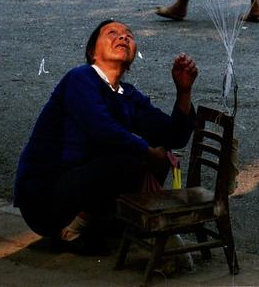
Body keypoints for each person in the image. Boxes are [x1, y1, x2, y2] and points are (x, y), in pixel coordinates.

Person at [14, 20, 197, 252]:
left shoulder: (127, 95)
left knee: (152, 152)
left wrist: (183, 92)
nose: (123, 37)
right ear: (92, 52)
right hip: (44, 199)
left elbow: (173, 137)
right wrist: (148, 152)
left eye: (128, 35)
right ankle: (73, 228)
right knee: (132, 155)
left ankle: (105, 221)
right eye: (112, 33)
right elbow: (102, 129)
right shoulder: (80, 78)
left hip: (77, 187)